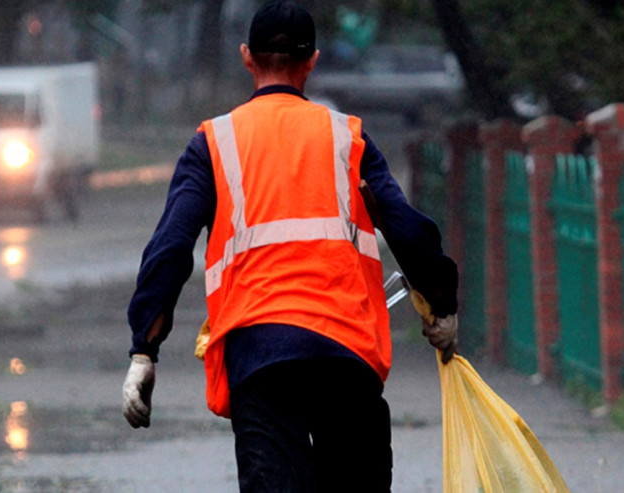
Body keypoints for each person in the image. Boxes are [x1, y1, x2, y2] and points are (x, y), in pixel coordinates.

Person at [122, 1, 459, 491]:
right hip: (346, 351)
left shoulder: (215, 143)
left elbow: (171, 247)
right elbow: (405, 225)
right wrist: (442, 305)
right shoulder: (347, 137)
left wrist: (144, 351)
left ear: (246, 57)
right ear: (313, 61)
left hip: (262, 356)